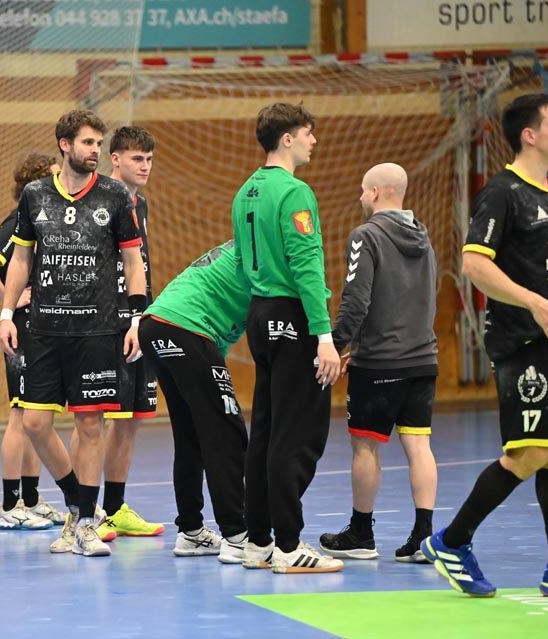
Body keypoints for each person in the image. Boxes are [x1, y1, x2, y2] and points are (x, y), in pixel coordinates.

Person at [423, 93, 548, 597]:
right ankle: (451, 541)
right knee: (531, 451)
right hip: (523, 341)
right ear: (529, 136)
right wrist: (535, 302)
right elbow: (474, 265)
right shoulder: (501, 193)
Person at [0, 109, 147, 557]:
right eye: (87, 142)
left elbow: (133, 260)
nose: (95, 150)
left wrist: (136, 318)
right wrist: (6, 313)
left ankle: (82, 524)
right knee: (35, 422)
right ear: (65, 144)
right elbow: (21, 259)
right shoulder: (35, 194)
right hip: (44, 329)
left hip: (97, 330)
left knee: (90, 423)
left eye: (99, 143)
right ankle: (78, 503)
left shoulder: (115, 195)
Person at [231, 102, 344, 573]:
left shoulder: (245, 192)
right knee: (295, 435)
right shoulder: (295, 192)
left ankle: (258, 541)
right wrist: (324, 336)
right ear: (287, 139)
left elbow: (241, 264)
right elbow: (307, 266)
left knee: (266, 430)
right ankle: (289, 545)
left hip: (260, 314)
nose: (314, 141)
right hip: (293, 317)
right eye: (307, 132)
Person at [317, 163, 439, 563]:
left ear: (373, 193)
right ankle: (424, 538)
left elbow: (356, 300)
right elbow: (422, 299)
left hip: (381, 365)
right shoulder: (424, 237)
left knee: (365, 446)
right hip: (423, 358)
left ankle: (361, 533)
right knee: (419, 444)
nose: (359, 197)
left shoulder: (365, 235)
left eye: (360, 190)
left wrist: (335, 345)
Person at [139, 240, 250, 563]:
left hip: (155, 325)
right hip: (186, 327)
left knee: (191, 435)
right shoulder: (264, 252)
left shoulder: (242, 243)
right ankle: (237, 536)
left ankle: (191, 531)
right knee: (226, 432)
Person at [0, 152, 65, 530]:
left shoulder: (44, 221)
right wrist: (9, 301)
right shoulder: (18, 220)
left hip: (43, 329)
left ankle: (30, 498)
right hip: (23, 329)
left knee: (34, 416)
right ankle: (10, 505)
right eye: (54, 177)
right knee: (20, 414)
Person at [92, 126, 164, 539]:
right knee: (91, 418)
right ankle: (82, 510)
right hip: (105, 323)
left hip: (137, 321)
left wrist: (142, 315)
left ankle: (114, 508)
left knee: (130, 418)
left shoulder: (141, 204)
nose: (145, 166)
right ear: (115, 158)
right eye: (138, 158)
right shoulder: (98, 198)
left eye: (149, 159)